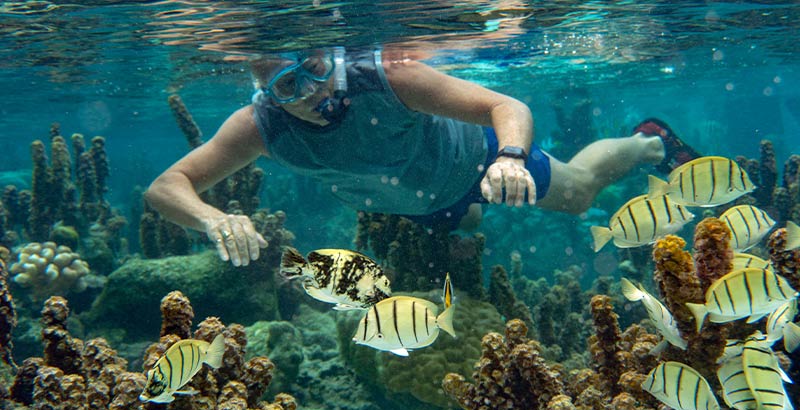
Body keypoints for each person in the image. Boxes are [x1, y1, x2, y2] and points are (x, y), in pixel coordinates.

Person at [145, 46, 699, 267]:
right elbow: (165, 187)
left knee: (578, 194)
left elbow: (506, 104)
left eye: (313, 69)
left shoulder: (391, 77)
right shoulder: (257, 127)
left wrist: (509, 156)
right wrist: (214, 218)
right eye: (288, 87)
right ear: (265, 93)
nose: (311, 93)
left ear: (333, 58)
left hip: (478, 162)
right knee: (472, 230)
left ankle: (649, 141)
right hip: (417, 202)